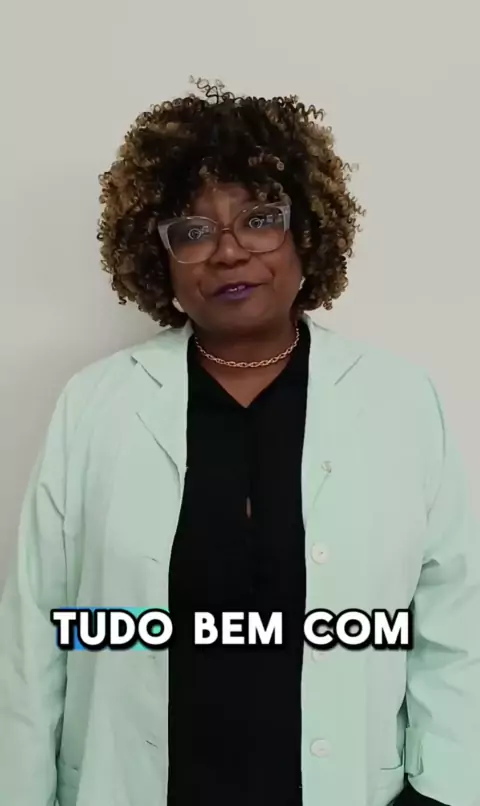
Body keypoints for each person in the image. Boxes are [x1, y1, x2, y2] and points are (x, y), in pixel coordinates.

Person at [0, 79, 478, 806]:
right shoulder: (95, 406)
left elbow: (455, 625)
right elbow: (35, 640)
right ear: (159, 257)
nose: (227, 252)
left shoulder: (401, 402)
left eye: (259, 220)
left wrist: (444, 792)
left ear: (306, 233)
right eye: (192, 231)